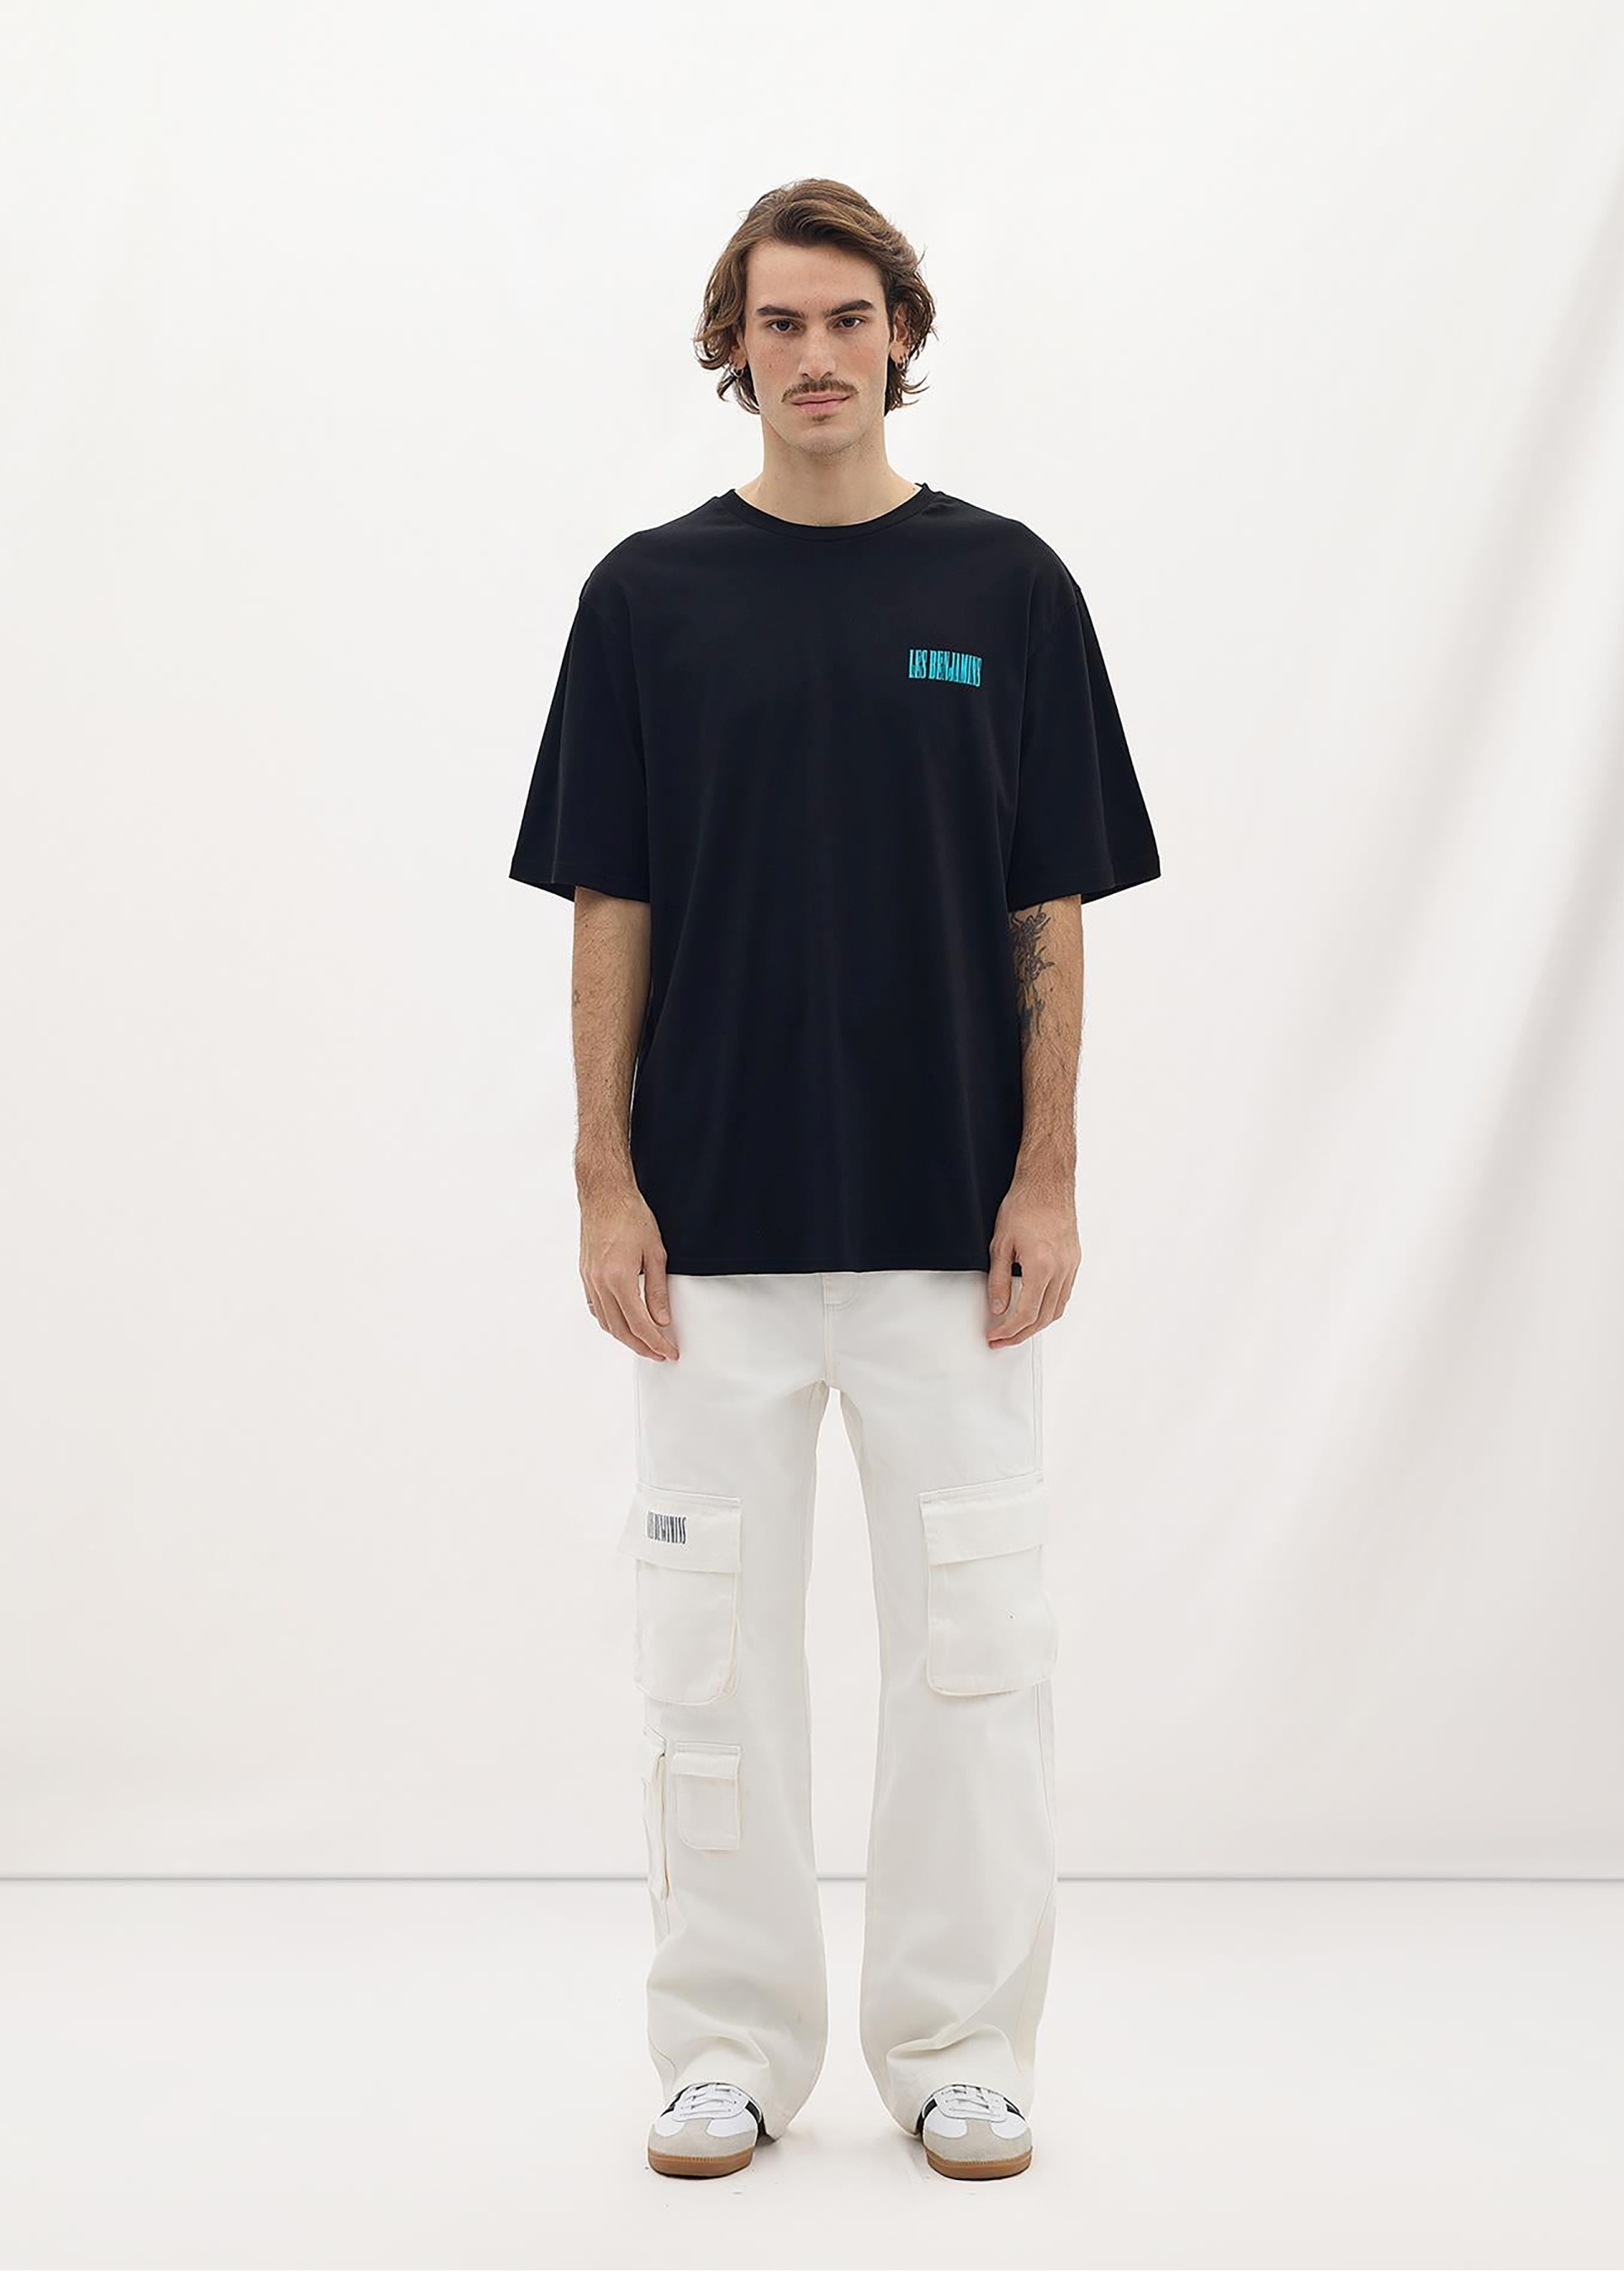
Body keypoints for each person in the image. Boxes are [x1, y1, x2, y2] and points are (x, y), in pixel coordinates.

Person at [508, 177, 1160, 2182]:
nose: (816, 355)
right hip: (707, 1234)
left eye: (848, 319)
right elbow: (606, 905)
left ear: (900, 338)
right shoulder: (647, 599)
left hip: (951, 1235)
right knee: (706, 1661)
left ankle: (958, 2045)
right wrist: (604, 1181)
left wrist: (1046, 1176)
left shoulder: (1006, 589)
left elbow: (1048, 907)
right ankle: (725, 2045)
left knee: (976, 1656)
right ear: (733, 348)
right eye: (779, 323)